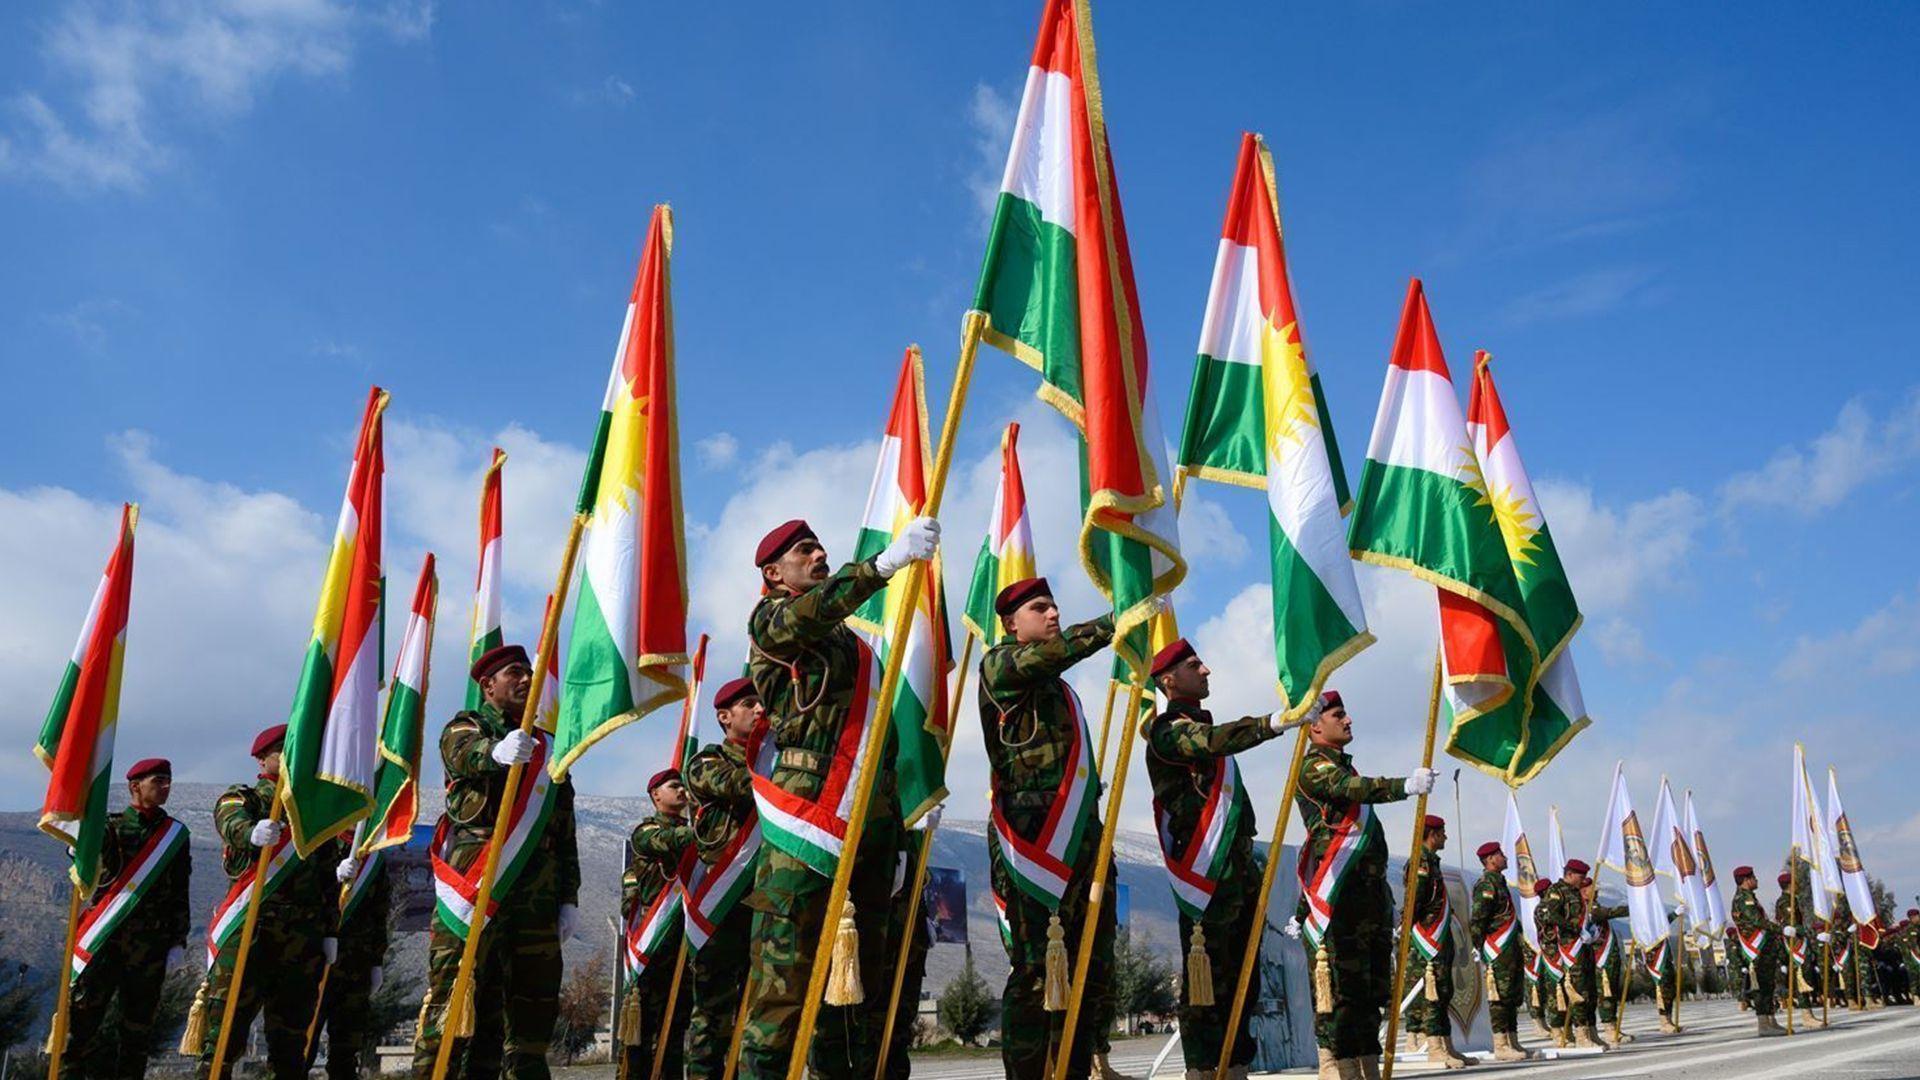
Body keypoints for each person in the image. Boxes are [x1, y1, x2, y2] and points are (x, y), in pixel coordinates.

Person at [739, 517, 938, 1078]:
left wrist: (896, 835)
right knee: (784, 990)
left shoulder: (853, 647)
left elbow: (883, 744)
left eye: (821, 545)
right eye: (805, 550)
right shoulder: (772, 621)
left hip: (869, 828)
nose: (820, 552)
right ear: (774, 572)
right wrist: (880, 566)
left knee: (854, 998)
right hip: (810, 821)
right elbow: (812, 611)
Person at [978, 576, 1136, 1080]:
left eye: (1054, 607)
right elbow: (1046, 657)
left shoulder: (1060, 689)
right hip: (1031, 840)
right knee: (1033, 973)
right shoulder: (999, 665)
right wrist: (1116, 621)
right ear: (1010, 623)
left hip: (1080, 839)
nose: (1053, 615)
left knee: (1084, 966)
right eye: (1040, 608)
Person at [411, 644, 580, 1080]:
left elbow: (564, 832)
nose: (527, 680)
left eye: (530, 673)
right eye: (515, 673)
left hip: (537, 897)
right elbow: (461, 753)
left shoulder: (548, 749)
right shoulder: (466, 726)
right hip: (478, 886)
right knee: (458, 1000)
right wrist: (496, 752)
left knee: (532, 1007)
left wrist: (568, 898)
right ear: (488, 686)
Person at [1140, 638, 1295, 1080]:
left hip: (1236, 869)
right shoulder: (1168, 731)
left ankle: (1236, 1065)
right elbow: (1209, 741)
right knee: (1206, 981)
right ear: (1168, 681)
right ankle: (1204, 1068)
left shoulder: (1204, 730)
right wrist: (1271, 723)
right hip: (1204, 872)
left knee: (1243, 977)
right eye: (1194, 665)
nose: (1206, 670)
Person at [1283, 689, 1438, 1080]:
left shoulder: (1346, 768)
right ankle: (1342, 1066)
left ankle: (1368, 1063)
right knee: (1345, 990)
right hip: (1341, 897)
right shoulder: (1315, 768)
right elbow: (1350, 790)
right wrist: (1405, 785)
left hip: (1369, 897)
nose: (1348, 720)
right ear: (1315, 725)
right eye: (1338, 714)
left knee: (1373, 991)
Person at [199, 725, 339, 1080]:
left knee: (292, 1043)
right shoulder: (245, 798)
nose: (291, 756)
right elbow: (230, 821)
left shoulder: (311, 812)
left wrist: (330, 931)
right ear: (262, 759)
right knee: (225, 1036)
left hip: (302, 937)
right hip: (252, 930)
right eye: (282, 750)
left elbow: (325, 877)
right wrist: (251, 833)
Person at [60, 757, 192, 1080]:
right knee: (79, 1027)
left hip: (149, 948)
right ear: (135, 787)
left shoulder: (175, 834)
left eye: (167, 781)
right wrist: (79, 847)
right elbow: (91, 869)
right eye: (157, 781)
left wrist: (178, 939)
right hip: (104, 942)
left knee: (137, 1034)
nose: (166, 787)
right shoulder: (110, 826)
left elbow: (180, 891)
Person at [683, 677, 763, 1079]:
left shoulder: (774, 758)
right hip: (724, 902)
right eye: (750, 704)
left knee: (764, 1011)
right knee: (713, 1013)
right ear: (725, 716)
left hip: (769, 899)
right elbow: (735, 786)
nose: (760, 710)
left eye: (763, 703)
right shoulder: (706, 762)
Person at [621, 769, 696, 1078]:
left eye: (683, 786)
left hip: (685, 935)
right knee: (646, 1027)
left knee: (676, 1023)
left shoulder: (692, 831)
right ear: (656, 795)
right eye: (674, 786)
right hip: (656, 937)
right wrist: (709, 824)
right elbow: (672, 840)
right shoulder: (646, 831)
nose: (682, 791)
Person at [313, 839, 391, 1079]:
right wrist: (332, 877)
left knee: (346, 1051)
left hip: (357, 963)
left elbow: (380, 912)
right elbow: (296, 891)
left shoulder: (371, 856)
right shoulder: (319, 839)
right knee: (300, 1045)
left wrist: (376, 961)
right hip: (314, 962)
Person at [1537, 859, 1624, 1050]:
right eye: (1580, 876)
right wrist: (1576, 929)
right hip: (1571, 948)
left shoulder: (1576, 893)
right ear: (1569, 874)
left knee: (1590, 991)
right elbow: (1552, 916)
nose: (1583, 880)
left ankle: (1592, 1032)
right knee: (1578, 992)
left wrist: (1588, 933)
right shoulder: (1556, 891)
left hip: (1584, 947)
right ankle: (1581, 1033)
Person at [1468, 841, 1532, 1061]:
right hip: (1497, 948)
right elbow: (1478, 918)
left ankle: (1513, 1040)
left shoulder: (1500, 882)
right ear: (1490, 860)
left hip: (1509, 947)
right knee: (1500, 997)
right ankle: (1501, 1044)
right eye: (1500, 855)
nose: (1505, 857)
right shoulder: (1486, 883)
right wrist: (1477, 945)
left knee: (1512, 994)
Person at [1731, 866, 1787, 1036]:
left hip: (1764, 948)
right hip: (1757, 949)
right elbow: (1757, 921)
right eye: (1753, 877)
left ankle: (1771, 1020)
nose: (1757, 880)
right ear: (1746, 880)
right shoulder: (1743, 899)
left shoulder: (1750, 897)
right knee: (1761, 986)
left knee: (1768, 985)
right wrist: (1780, 929)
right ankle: (1763, 1024)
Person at [1772, 871, 1822, 1025]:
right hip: (1795, 944)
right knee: (1801, 978)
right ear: (1790, 884)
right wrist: (1810, 932)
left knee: (1805, 978)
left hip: (1799, 942)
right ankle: (1806, 1016)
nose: (1798, 884)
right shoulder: (1785, 902)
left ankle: (1809, 1014)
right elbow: (1791, 924)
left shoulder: (1792, 899)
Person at [1531, 878, 1566, 1046]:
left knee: (1565, 991)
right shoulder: (1543, 909)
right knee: (1555, 992)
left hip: (1562, 951)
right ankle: (1557, 1030)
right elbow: (1556, 920)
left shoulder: (1553, 906)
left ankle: (1567, 1029)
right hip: (1552, 954)